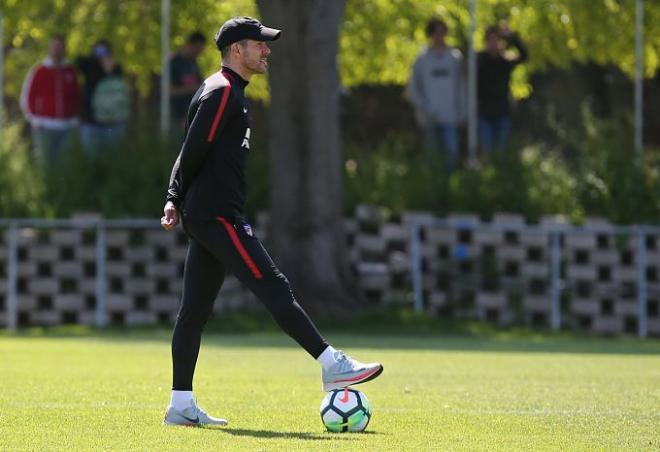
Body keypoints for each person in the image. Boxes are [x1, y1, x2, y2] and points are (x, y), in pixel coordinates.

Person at [160, 16, 384, 427]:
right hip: (217, 217)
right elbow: (191, 149)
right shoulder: (223, 91)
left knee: (193, 312)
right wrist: (175, 196)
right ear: (235, 50)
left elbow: (190, 149)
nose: (266, 50)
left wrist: (176, 199)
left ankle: (180, 404)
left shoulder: (226, 91)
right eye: (258, 44)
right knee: (272, 283)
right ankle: (331, 362)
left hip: (208, 216)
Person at [408, 18, 466, 173]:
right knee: (431, 156)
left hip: (450, 116)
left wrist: (462, 111)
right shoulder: (422, 59)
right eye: (435, 32)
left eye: (442, 32)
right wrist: (423, 107)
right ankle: (431, 188)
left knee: (451, 153)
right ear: (430, 34)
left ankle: (449, 188)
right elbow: (413, 88)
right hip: (430, 117)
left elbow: (461, 86)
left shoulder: (454, 58)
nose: (439, 36)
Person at [20, 35, 80, 165]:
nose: (57, 50)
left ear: (65, 49)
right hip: (44, 126)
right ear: (49, 48)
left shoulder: (70, 71)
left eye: (60, 47)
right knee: (45, 164)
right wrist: (33, 119)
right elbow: (26, 96)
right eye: (54, 47)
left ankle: (62, 186)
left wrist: (74, 117)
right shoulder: (39, 71)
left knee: (64, 166)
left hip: (66, 126)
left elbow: (77, 96)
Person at [477, 24, 528, 153]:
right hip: (484, 113)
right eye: (490, 40)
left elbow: (524, 55)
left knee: (501, 151)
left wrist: (512, 37)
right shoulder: (480, 60)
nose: (493, 44)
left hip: (502, 112)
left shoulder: (505, 62)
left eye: (496, 40)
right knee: (487, 150)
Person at [76, 40, 131, 154]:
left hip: (113, 123)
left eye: (104, 52)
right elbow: (78, 62)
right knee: (92, 160)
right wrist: (100, 66)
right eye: (97, 51)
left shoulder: (116, 69)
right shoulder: (88, 67)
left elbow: (119, 89)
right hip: (90, 122)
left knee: (112, 159)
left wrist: (109, 70)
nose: (101, 55)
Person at [170, 32, 207, 130]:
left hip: (191, 115)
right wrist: (194, 88)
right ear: (190, 45)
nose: (198, 54)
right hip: (175, 116)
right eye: (197, 51)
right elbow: (169, 91)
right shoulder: (174, 63)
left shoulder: (194, 63)